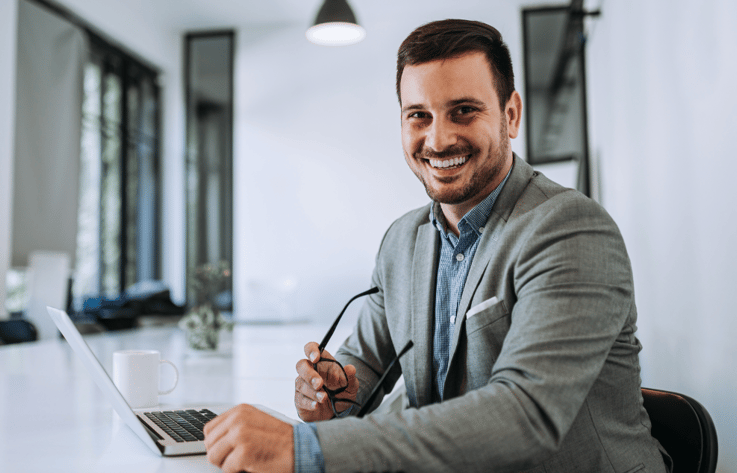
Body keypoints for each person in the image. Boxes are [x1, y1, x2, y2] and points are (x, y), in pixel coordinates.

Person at [203, 19, 669, 473]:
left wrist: (311, 450)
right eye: (418, 116)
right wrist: (335, 391)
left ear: (511, 115)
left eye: (464, 110)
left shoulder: (570, 228)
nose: (438, 138)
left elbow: (527, 415)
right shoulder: (402, 241)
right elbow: (363, 361)